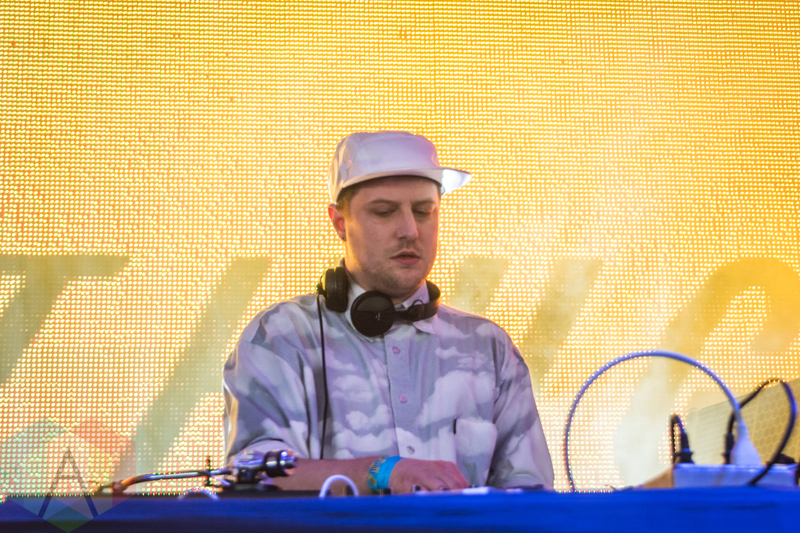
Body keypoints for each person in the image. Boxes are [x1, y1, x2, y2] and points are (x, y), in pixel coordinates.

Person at [223, 131, 554, 494]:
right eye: (384, 212)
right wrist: (380, 472)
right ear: (339, 223)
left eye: (423, 212)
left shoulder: (489, 348)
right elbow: (251, 476)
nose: (409, 230)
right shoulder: (282, 336)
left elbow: (532, 495)